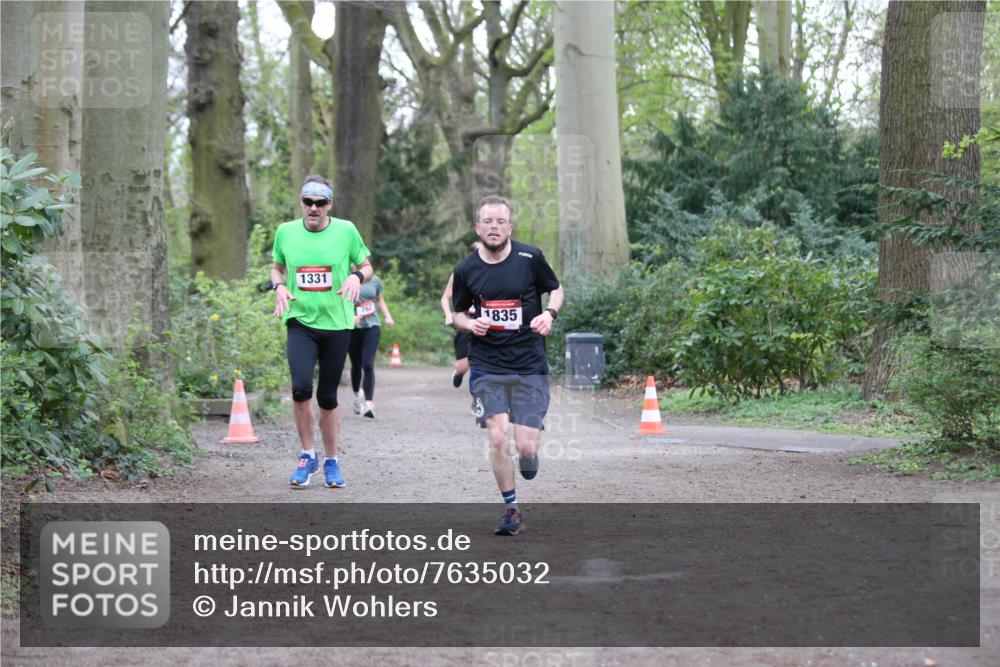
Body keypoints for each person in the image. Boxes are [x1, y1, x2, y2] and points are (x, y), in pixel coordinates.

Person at [451, 195, 564, 536]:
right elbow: (456, 313)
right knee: (498, 437)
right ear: (478, 227)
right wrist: (469, 325)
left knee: (526, 445)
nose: (494, 227)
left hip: (529, 363)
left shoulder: (530, 258)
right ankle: (511, 508)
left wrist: (549, 314)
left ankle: (529, 456)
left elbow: (556, 289)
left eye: (500, 222)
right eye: (488, 222)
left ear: (509, 227)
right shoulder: (466, 270)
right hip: (487, 366)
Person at [271, 175, 372, 489]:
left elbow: (368, 267)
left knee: (328, 397)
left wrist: (357, 276)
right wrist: (278, 286)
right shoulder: (285, 232)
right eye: (308, 201)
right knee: (301, 389)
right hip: (300, 322)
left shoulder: (346, 231)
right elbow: (277, 266)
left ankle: (331, 461)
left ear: (330, 204)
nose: (313, 208)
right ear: (301, 202)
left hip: (337, 324)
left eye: (320, 202)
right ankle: (306, 456)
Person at [349, 273, 394, 419]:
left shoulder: (374, 280)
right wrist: (351, 317)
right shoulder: (345, 278)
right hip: (352, 328)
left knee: (367, 364)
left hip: (372, 326)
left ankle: (369, 404)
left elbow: (379, 299)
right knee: (356, 365)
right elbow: (339, 302)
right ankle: (357, 396)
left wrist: (388, 316)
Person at [440, 241, 482, 389]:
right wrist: (448, 315)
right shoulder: (460, 273)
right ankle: (459, 373)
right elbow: (445, 297)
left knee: (481, 364)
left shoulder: (493, 272)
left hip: (485, 323)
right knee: (464, 366)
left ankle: (479, 400)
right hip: (465, 323)